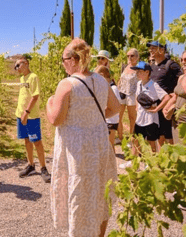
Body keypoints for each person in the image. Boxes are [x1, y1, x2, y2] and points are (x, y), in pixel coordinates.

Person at [46, 38, 120, 237]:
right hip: (99, 144)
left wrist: (49, 103)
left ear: (73, 59)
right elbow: (115, 108)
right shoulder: (101, 80)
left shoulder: (67, 84)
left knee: (79, 194)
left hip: (77, 151)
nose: (62, 64)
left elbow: (56, 119)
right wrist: (92, 118)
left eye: (63, 59)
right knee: (100, 193)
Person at [120, 61, 171, 169]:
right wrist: (137, 106)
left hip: (150, 119)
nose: (137, 73)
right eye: (136, 71)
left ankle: (151, 164)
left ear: (147, 72)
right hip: (140, 118)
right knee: (136, 140)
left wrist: (157, 108)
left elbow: (166, 97)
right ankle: (134, 163)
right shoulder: (139, 84)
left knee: (151, 141)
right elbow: (138, 96)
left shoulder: (153, 84)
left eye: (139, 71)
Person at [14, 56, 51, 183]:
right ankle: (30, 165)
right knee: (26, 140)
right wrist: (20, 113)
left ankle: (43, 168)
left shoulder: (33, 77)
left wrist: (26, 112)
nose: (16, 68)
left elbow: (35, 96)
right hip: (21, 115)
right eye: (15, 67)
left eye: (18, 65)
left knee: (37, 142)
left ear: (26, 64)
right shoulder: (21, 78)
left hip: (31, 116)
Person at [147, 41, 182, 146]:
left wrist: (174, 95)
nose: (150, 50)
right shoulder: (152, 66)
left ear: (162, 50)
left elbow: (183, 79)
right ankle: (162, 159)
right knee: (159, 135)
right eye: (150, 48)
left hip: (167, 106)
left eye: (154, 48)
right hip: (155, 106)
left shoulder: (171, 65)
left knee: (169, 135)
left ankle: (173, 160)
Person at [95, 65, 120, 150]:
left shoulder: (113, 88)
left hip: (111, 121)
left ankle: (112, 163)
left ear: (102, 76)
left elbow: (116, 107)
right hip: (106, 120)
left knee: (110, 145)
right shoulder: (105, 87)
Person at [117, 48, 140, 145]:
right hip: (122, 94)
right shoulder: (125, 67)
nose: (129, 57)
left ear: (137, 57)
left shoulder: (139, 69)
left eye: (132, 55)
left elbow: (140, 84)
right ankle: (121, 138)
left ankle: (131, 140)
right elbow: (120, 80)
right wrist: (117, 90)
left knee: (132, 118)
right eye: (128, 56)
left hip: (132, 95)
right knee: (118, 117)